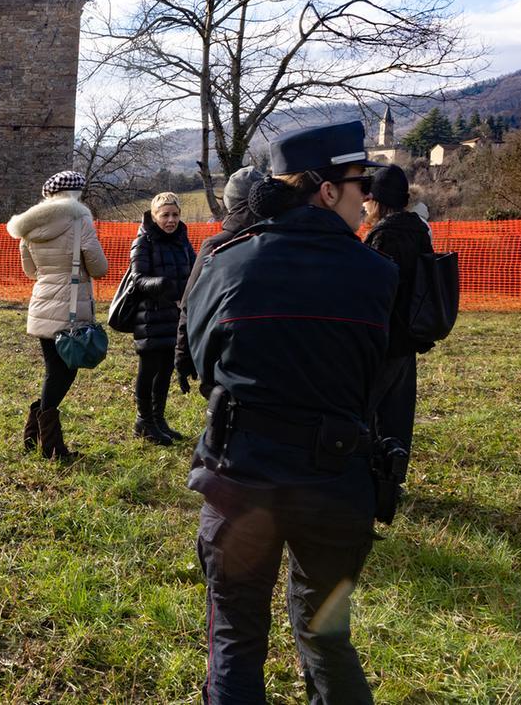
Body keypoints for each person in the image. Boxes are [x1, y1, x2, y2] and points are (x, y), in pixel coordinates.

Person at [184, 121, 395, 704]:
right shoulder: (378, 274)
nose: (367, 199)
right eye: (360, 185)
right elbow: (381, 376)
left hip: (241, 476)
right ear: (327, 190)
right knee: (328, 637)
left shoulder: (227, 261)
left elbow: (203, 362)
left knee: (235, 636)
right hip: (337, 482)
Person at [6, 170, 108, 459]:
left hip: (42, 304)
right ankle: (50, 445)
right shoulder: (80, 221)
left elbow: (30, 271)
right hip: (70, 307)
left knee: (55, 370)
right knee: (63, 372)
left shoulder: (28, 226)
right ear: (75, 193)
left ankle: (34, 433)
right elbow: (99, 268)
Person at [363, 165, 434, 454]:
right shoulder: (419, 230)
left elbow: (377, 292)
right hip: (410, 335)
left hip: (385, 339)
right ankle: (395, 469)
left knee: (368, 414)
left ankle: (370, 470)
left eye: (369, 198)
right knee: (398, 417)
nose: (365, 204)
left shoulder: (385, 235)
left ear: (378, 201)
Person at [175, 166, 264, 395]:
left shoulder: (216, 246)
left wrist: (182, 355)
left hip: (226, 360)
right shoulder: (282, 238)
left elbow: (190, 304)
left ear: (230, 202)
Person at [129, 192, 196, 445]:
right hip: (151, 316)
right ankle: (143, 421)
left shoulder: (183, 241)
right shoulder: (143, 241)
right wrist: (164, 285)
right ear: (154, 216)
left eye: (175, 215)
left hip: (176, 316)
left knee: (166, 369)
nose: (171, 220)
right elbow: (138, 279)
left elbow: (194, 271)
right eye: (165, 215)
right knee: (148, 370)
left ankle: (158, 419)